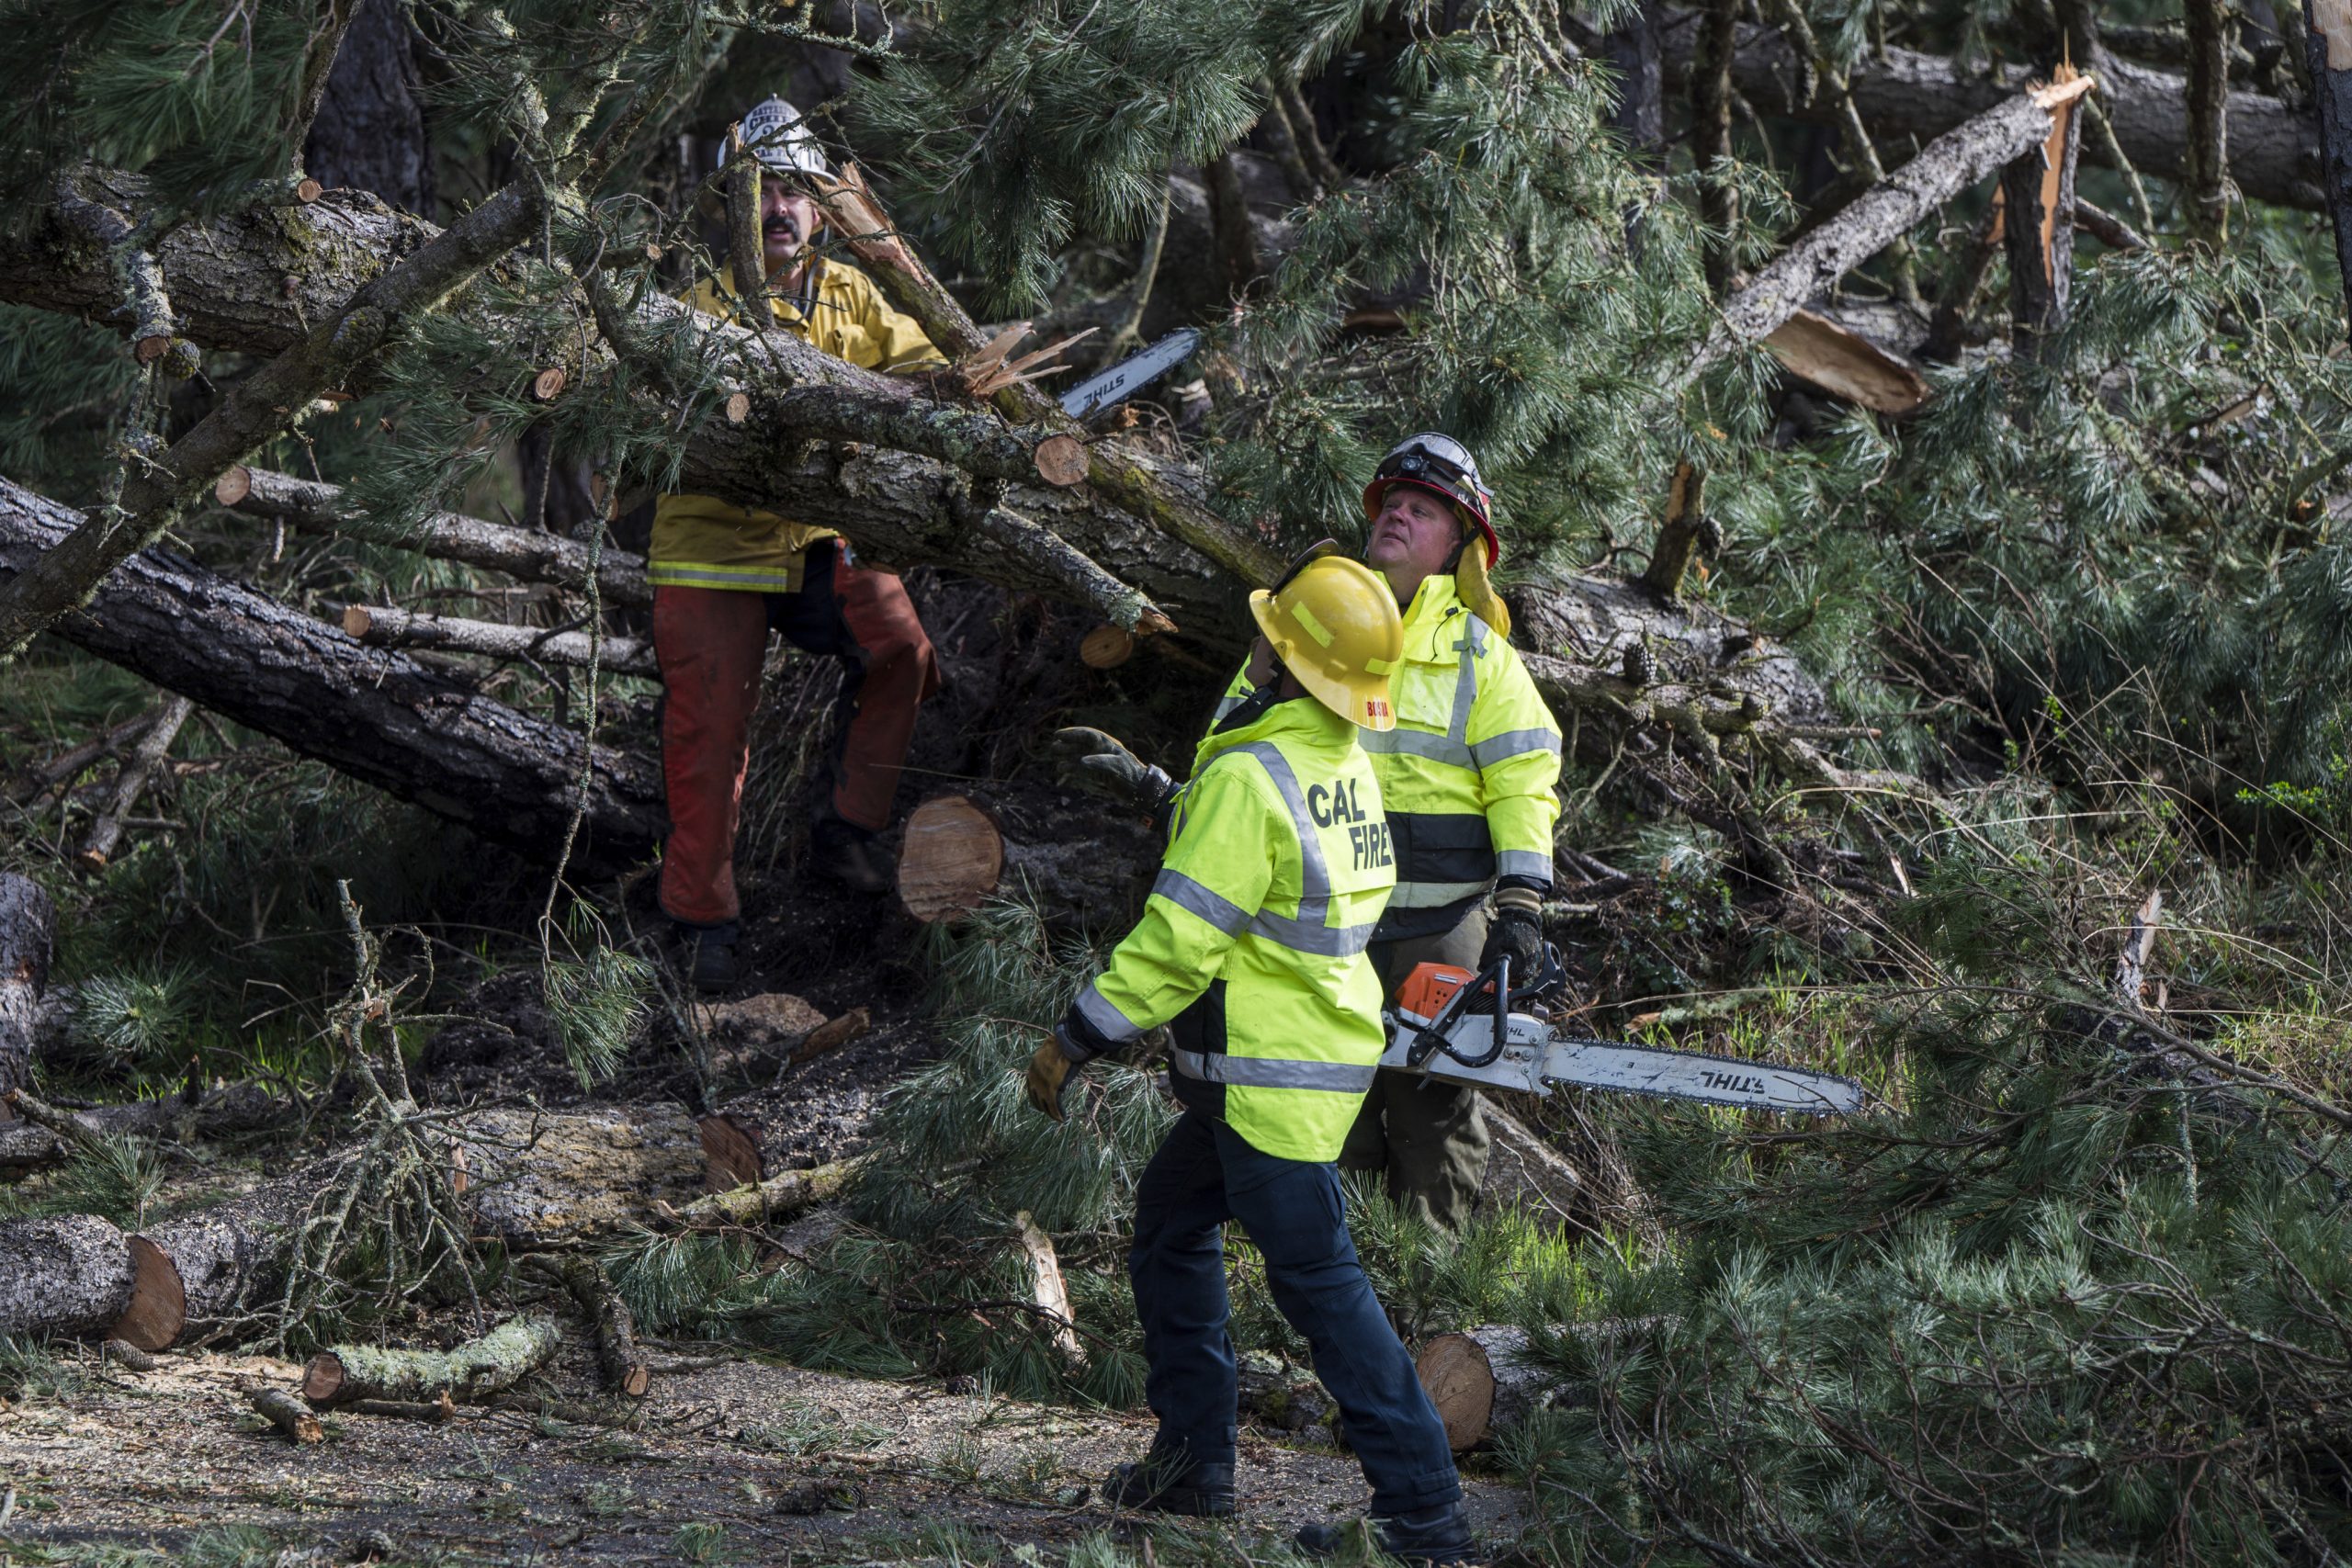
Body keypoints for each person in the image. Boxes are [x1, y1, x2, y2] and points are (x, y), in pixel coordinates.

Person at [1029, 547, 1483, 1568]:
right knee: (1170, 1227)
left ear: (1287, 662)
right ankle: (1196, 1465)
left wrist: (1076, 1037)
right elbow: (1267, 865)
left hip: (1265, 1082)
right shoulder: (1339, 763)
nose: (1255, 649)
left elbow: (1178, 944)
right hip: (1292, 1065)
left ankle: (1424, 1513)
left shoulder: (1251, 775)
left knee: (1323, 1288)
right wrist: (1163, 793)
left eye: (1270, 639)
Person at [1061, 434, 1562, 1231]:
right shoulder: (1309, 622)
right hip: (1324, 918)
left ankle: (1426, 1279)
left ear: (1459, 543)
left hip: (1439, 922)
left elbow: (1523, 781)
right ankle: (1342, 1265)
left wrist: (1524, 905)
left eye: (1422, 509)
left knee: (1432, 1110)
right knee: (1336, 1100)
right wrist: (1171, 798)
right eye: (1391, 502)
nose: (1397, 515)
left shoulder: (1480, 657)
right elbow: (1234, 750)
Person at [651, 97, 945, 992]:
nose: (779, 209)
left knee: (900, 649)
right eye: (762, 191)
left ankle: (845, 828)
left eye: (794, 191)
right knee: (710, 737)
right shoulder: (693, 307)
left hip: (822, 534)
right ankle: (702, 922)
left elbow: (933, 375)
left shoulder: (852, 294)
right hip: (712, 548)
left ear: (821, 206)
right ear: (729, 206)